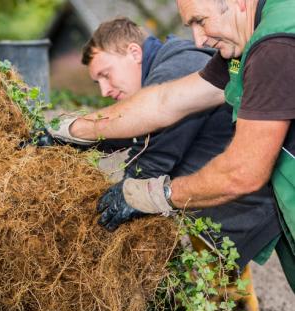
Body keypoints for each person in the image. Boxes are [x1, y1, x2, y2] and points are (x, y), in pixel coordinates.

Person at [47, 0, 295, 292]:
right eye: (191, 25)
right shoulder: (243, 44)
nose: (198, 39)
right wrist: (74, 129)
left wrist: (155, 194)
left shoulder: (275, 45)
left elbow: (241, 172)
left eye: (200, 20)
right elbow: (163, 103)